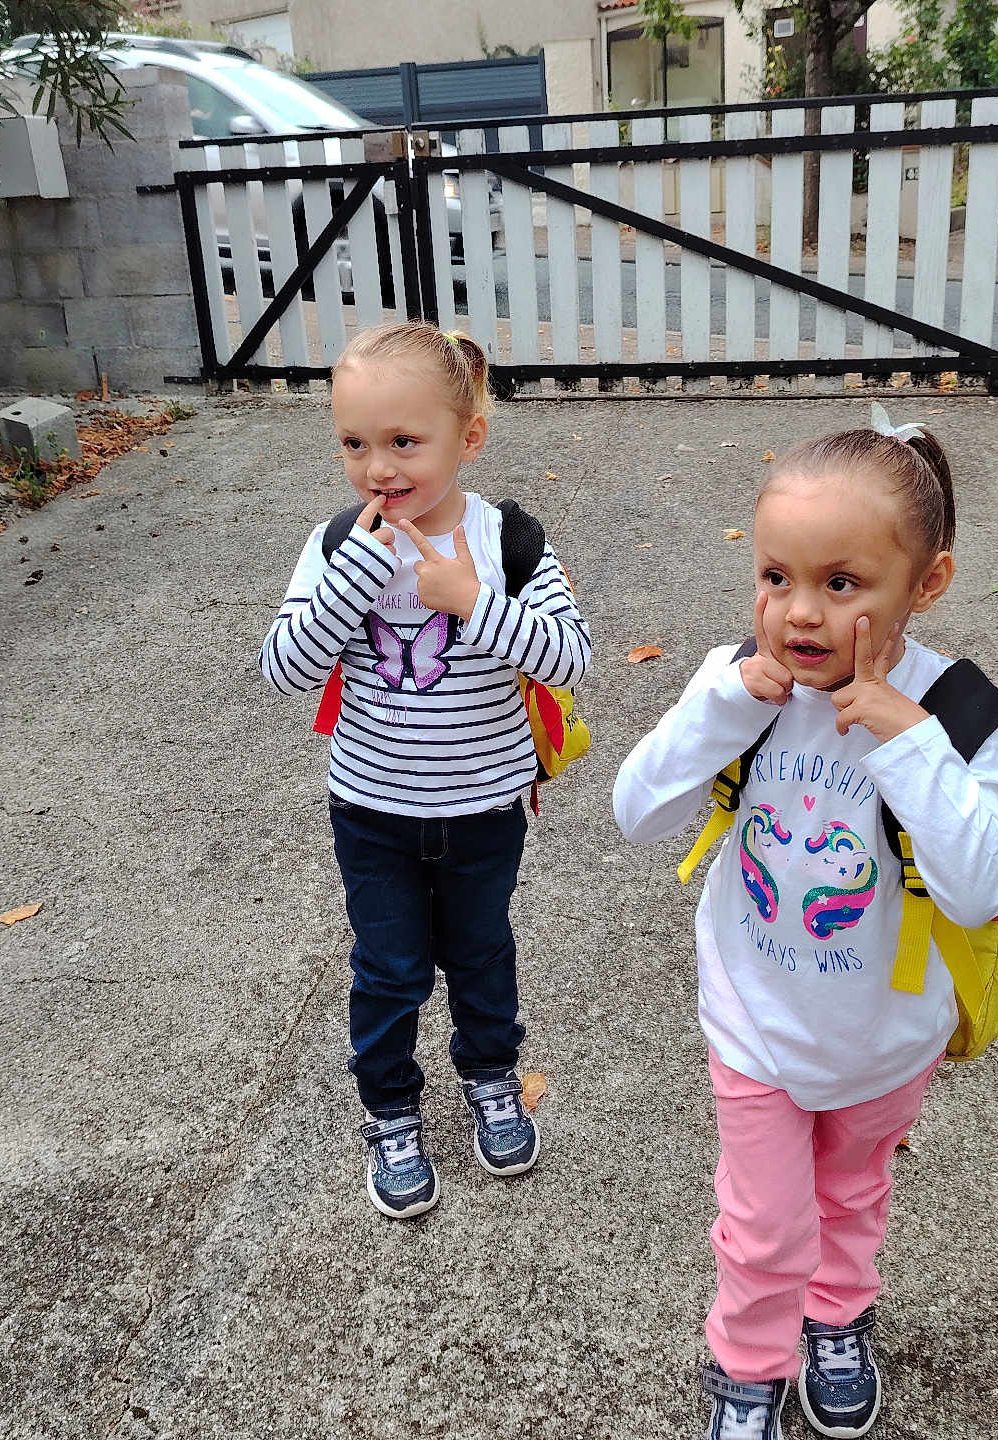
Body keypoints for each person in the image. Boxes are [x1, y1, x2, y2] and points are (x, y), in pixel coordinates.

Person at [613, 415, 998, 1439]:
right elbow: (636, 812)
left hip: (886, 1040)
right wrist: (722, 706)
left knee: (850, 1193)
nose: (799, 613)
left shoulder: (959, 718)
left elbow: (982, 891)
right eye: (775, 577)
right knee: (762, 1224)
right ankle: (747, 1364)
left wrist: (905, 740)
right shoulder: (745, 687)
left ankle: (836, 1319)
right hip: (756, 1023)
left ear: (925, 584)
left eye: (842, 584)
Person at [260, 322, 591, 1220]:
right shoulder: (335, 543)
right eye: (356, 443)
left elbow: (570, 657)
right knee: (391, 966)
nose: (379, 468)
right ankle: (391, 1110)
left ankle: (491, 1078)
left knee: (482, 954)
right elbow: (282, 666)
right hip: (372, 810)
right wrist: (355, 580)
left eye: (405, 442)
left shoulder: (507, 540)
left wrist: (475, 603)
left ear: (467, 438)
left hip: (486, 808)